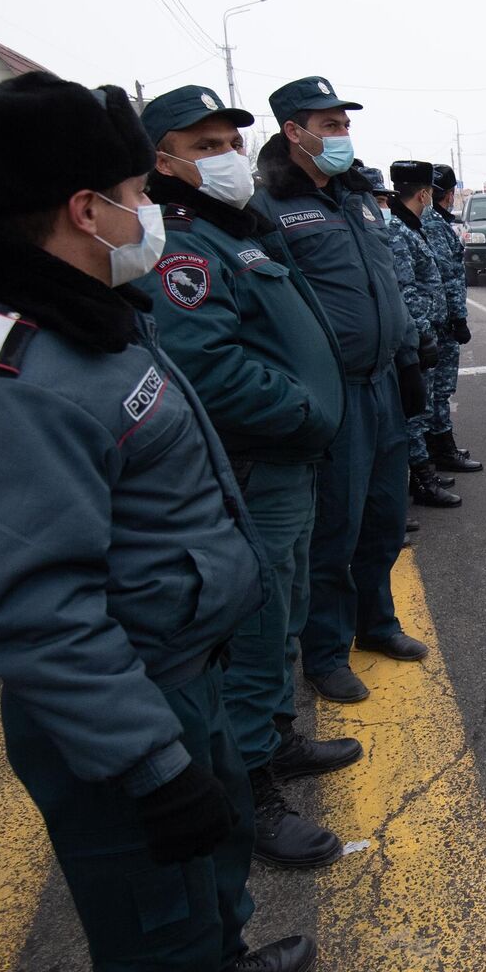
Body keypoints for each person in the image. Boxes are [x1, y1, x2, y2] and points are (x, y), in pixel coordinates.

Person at [0, 71, 313, 972]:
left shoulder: (82, 321)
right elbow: (39, 614)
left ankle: (224, 964)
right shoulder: (1, 384)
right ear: (84, 210)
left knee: (207, 885)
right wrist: (152, 767)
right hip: (128, 709)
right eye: (134, 197)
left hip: (182, 674)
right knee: (154, 936)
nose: (148, 213)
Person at [134, 84, 359, 871]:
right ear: (162, 162)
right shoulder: (185, 245)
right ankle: (250, 791)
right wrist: (304, 411)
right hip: (257, 462)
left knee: (287, 607)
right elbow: (207, 366)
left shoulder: (240, 230)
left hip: (288, 464)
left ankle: (274, 737)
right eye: (203, 147)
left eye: (230, 141)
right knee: (255, 629)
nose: (227, 156)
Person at [252, 76, 430, 704]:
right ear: (292, 133)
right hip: (335, 393)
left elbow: (382, 280)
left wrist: (408, 355)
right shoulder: (267, 208)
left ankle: (375, 624)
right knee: (336, 528)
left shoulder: (358, 197)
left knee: (384, 519)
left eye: (344, 123)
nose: (342, 134)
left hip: (384, 384)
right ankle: (324, 653)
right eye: (328, 126)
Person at [386, 161, 460, 510]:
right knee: (415, 411)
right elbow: (406, 290)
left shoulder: (410, 227)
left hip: (428, 331)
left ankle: (426, 469)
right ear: (424, 193)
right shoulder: (400, 231)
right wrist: (423, 336)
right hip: (418, 337)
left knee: (426, 404)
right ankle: (422, 481)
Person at [425, 165, 481, 473]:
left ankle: (437, 448)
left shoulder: (432, 222)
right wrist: (459, 318)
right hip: (441, 322)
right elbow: (447, 277)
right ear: (448, 194)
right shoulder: (433, 224)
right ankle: (440, 451)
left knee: (435, 390)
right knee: (440, 389)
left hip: (437, 319)